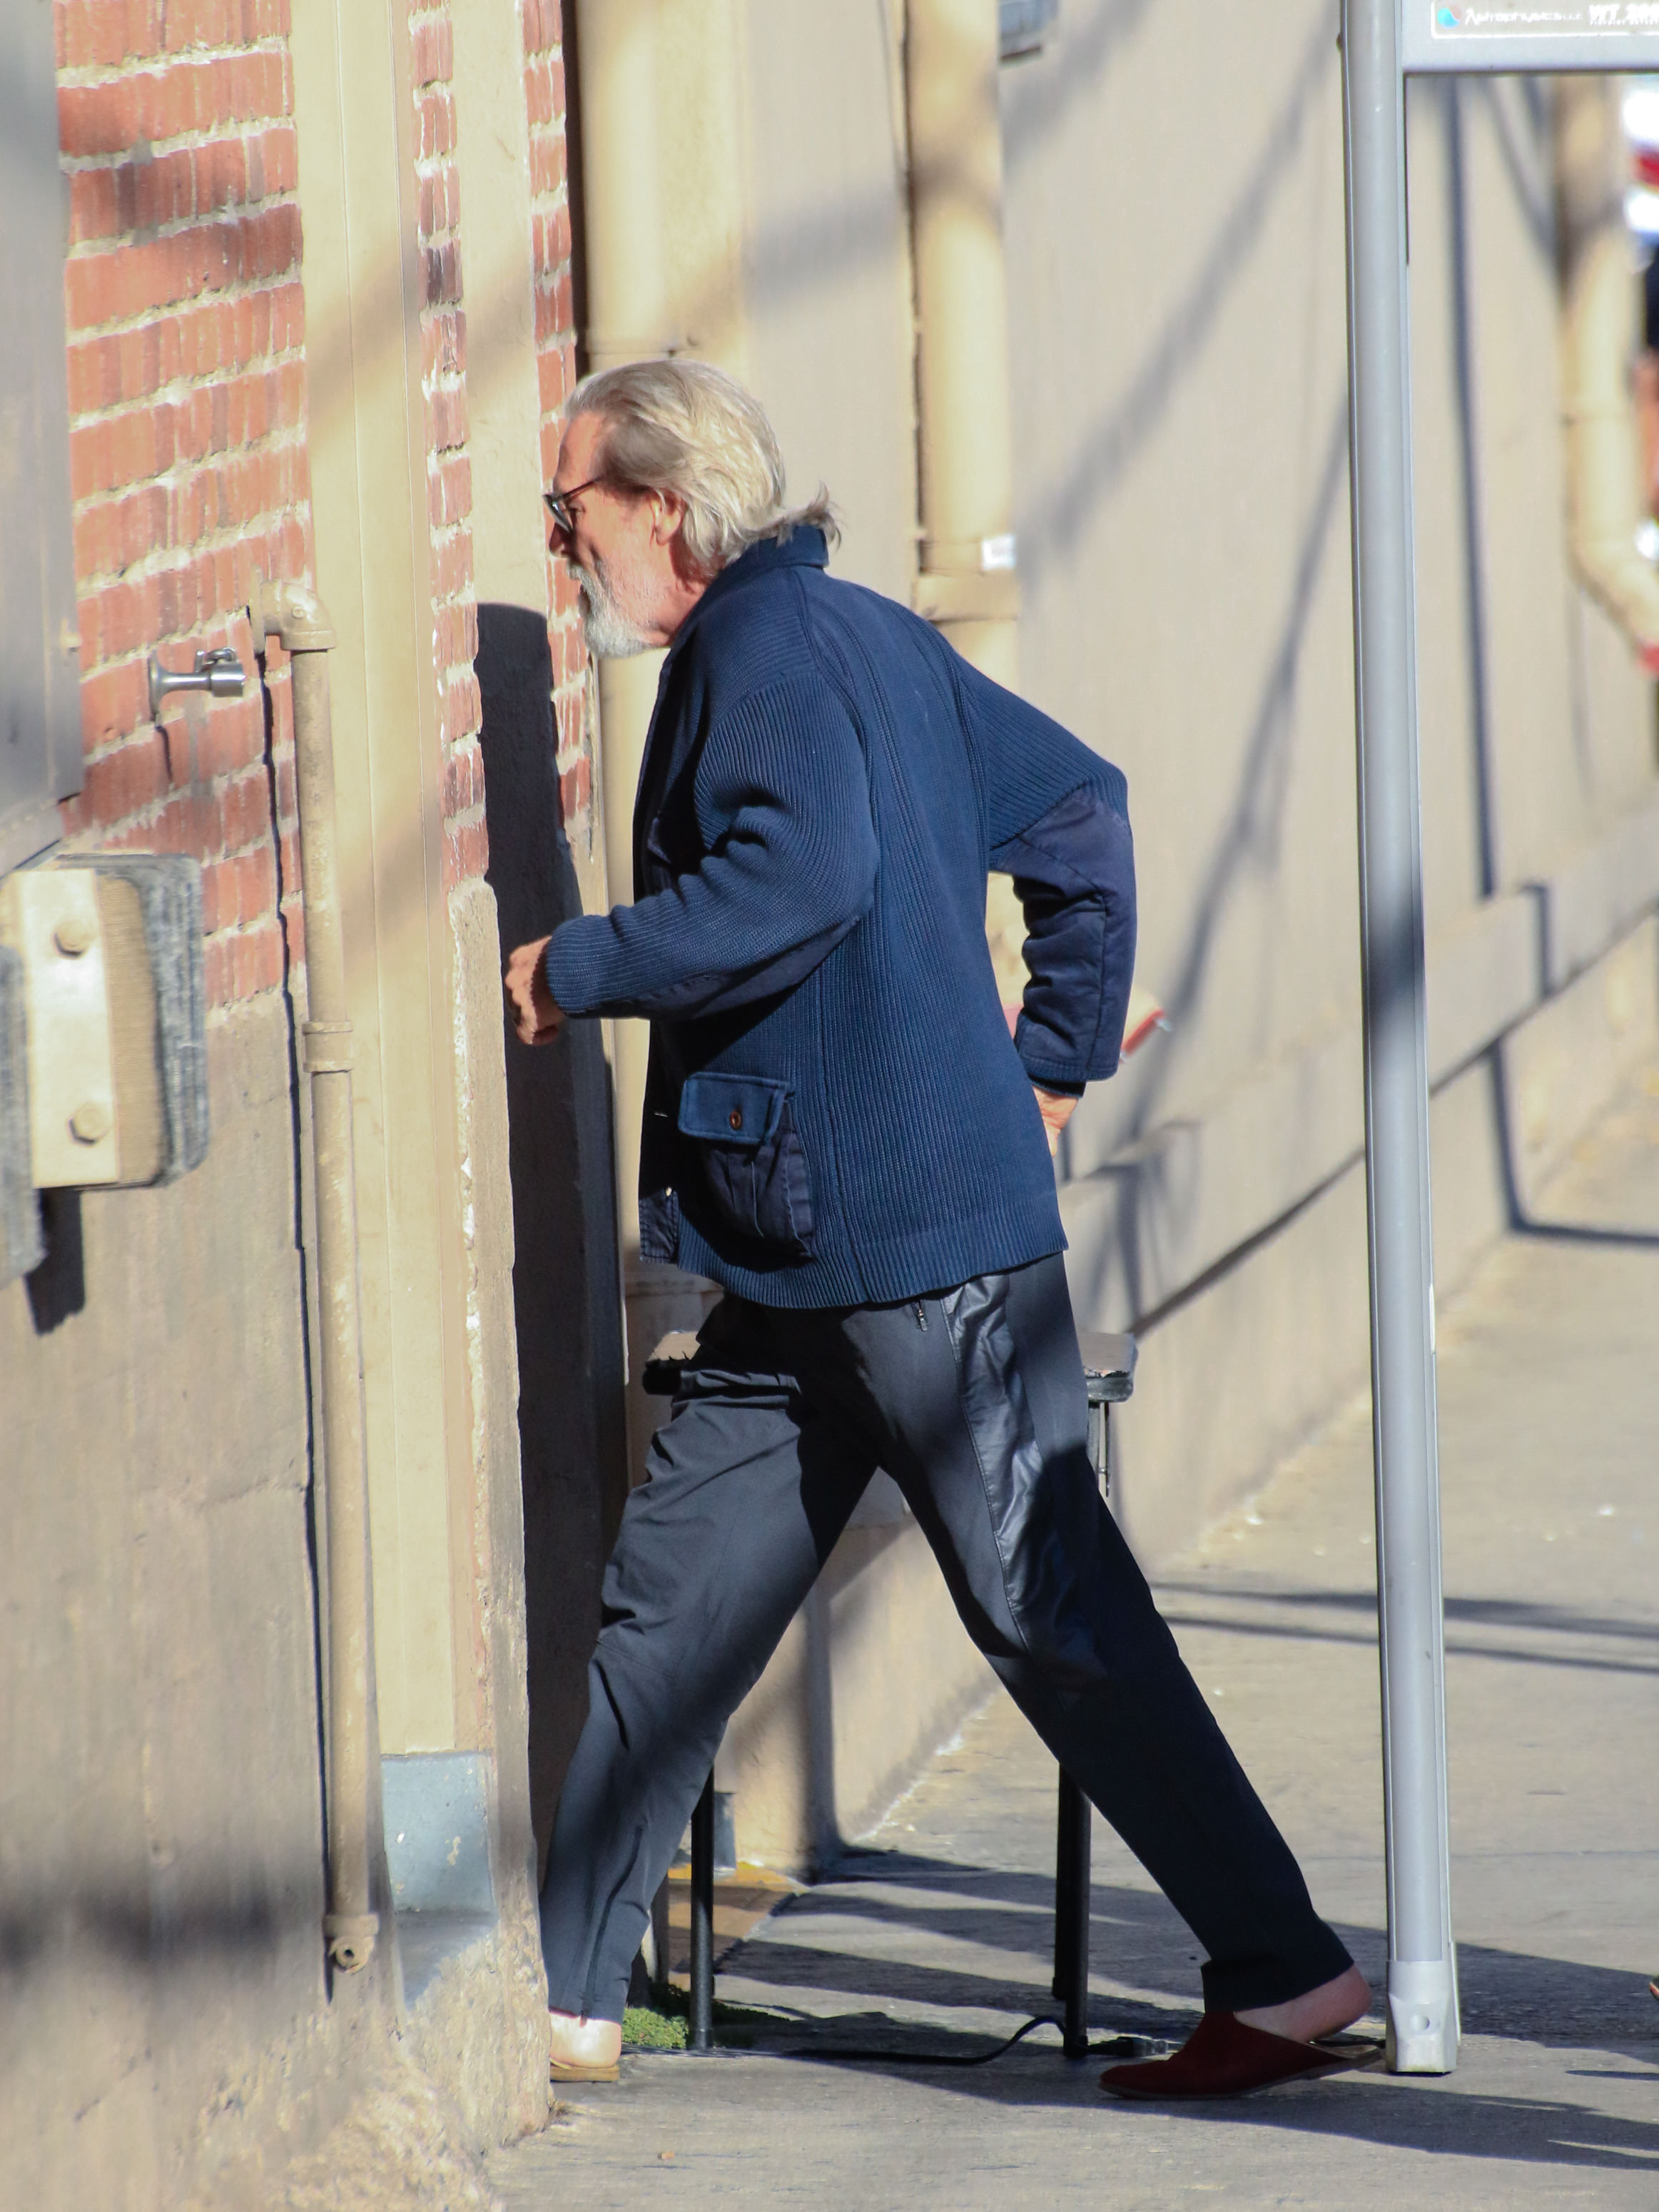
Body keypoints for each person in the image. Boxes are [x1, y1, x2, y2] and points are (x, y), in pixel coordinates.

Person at [504, 359, 1369, 2100]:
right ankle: (558, 2000)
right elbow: (1080, 814)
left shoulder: (759, 650)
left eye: (569, 511)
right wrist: (1040, 1067)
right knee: (668, 1620)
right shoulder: (865, 637)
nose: (561, 549)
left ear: (660, 509)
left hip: (920, 1262)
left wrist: (582, 960)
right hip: (796, 1262)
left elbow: (798, 879)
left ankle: (1282, 1971)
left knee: (1051, 1605)